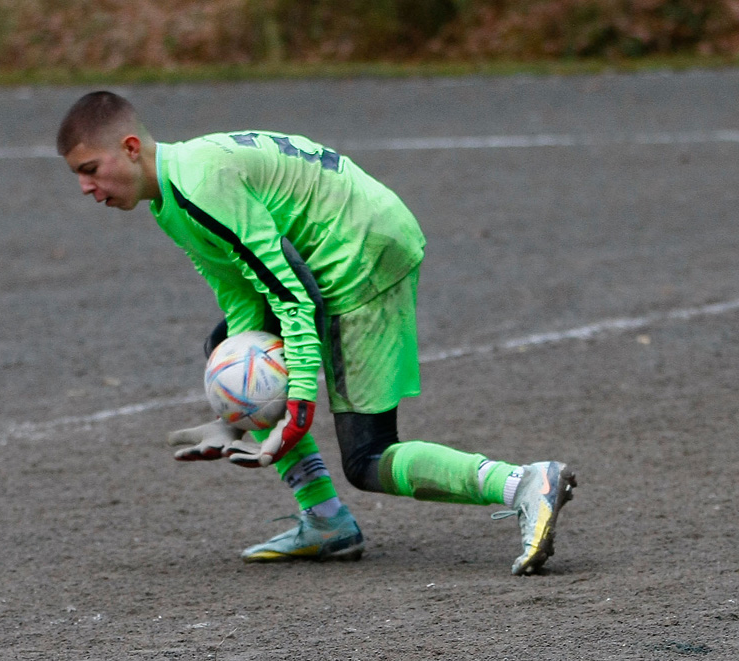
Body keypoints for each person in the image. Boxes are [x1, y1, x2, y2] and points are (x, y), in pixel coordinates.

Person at [56, 90, 577, 575]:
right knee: (225, 350)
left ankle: (524, 483)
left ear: (129, 148)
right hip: (345, 241)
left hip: (359, 253)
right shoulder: (172, 198)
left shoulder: (199, 184)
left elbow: (291, 294)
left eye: (90, 170)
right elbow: (242, 298)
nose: (85, 188)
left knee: (367, 458)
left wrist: (297, 403)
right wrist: (237, 412)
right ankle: (327, 521)